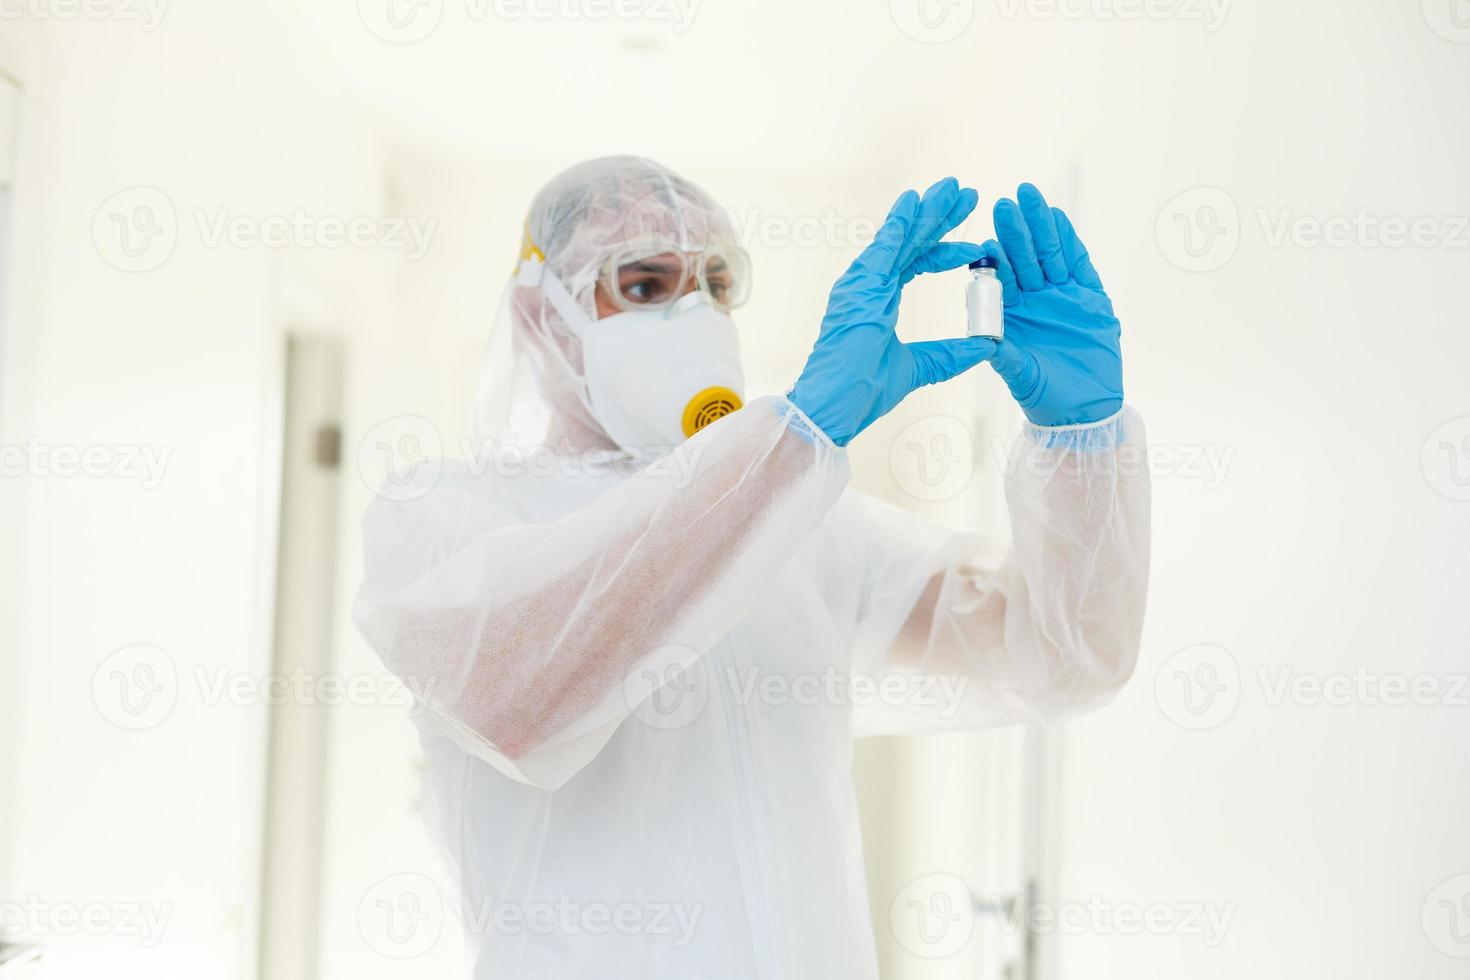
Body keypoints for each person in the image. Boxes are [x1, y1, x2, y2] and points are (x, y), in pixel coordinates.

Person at [353, 156, 1150, 979]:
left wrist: (1080, 446)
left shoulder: (809, 526)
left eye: (716, 282)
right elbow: (515, 699)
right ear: (540, 316)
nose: (691, 314)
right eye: (644, 284)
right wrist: (790, 441)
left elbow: (1062, 658)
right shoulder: (447, 513)